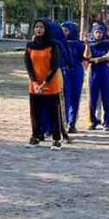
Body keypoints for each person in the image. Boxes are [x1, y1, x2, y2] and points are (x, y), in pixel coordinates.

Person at [24, 19, 68, 149]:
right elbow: (28, 65)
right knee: (35, 111)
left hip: (51, 83)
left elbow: (54, 66)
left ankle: (56, 139)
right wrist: (34, 82)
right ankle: (36, 136)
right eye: (36, 27)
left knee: (53, 112)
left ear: (46, 29)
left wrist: (44, 83)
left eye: (41, 27)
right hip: (35, 84)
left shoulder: (53, 45)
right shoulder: (30, 46)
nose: (38, 29)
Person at [85, 22, 109, 131]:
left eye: (100, 32)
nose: (98, 34)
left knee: (106, 97)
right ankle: (93, 121)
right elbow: (87, 58)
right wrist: (88, 46)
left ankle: (107, 122)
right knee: (92, 98)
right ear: (93, 33)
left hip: (104, 71)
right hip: (93, 72)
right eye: (96, 32)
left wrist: (99, 59)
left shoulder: (107, 43)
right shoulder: (90, 44)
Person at [61, 21, 86, 133]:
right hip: (64, 72)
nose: (64, 33)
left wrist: (87, 45)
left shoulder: (79, 44)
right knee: (65, 97)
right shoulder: (60, 43)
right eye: (62, 30)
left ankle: (72, 123)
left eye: (66, 30)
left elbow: (85, 57)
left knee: (75, 97)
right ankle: (63, 122)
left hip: (77, 72)